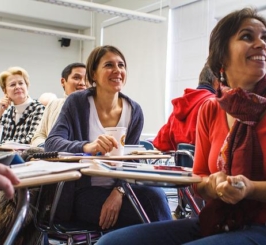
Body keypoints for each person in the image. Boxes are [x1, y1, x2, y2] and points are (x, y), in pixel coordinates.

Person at [96, 8, 266, 245]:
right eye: (247, 36)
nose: (261, 44)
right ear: (222, 56)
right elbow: (199, 180)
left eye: (265, 38)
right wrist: (214, 186)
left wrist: (251, 188)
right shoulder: (211, 109)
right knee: (111, 243)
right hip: (220, 221)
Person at [45, 45, 172, 230]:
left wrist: (118, 192)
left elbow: (132, 160)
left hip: (122, 188)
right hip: (83, 191)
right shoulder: (77, 102)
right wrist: (87, 146)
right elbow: (51, 143)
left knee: (156, 196)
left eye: (121, 65)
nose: (117, 70)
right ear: (93, 75)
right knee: (143, 218)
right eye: (109, 65)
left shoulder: (134, 110)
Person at [153, 64, 218, 151]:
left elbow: (160, 143)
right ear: (217, 81)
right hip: (206, 163)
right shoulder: (215, 104)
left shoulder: (181, 105)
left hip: (180, 164)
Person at [31, 62, 87, 147]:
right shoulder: (53, 104)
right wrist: (47, 147)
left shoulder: (93, 107)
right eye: (76, 78)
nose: (82, 83)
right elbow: (39, 136)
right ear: (63, 81)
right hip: (51, 156)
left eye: (86, 79)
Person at [0, 67, 45, 144]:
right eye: (12, 84)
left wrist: (3, 144)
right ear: (5, 91)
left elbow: (31, 139)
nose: (18, 87)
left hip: (25, 155)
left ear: (27, 86)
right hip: (4, 155)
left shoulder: (39, 109)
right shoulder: (7, 113)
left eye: (21, 83)